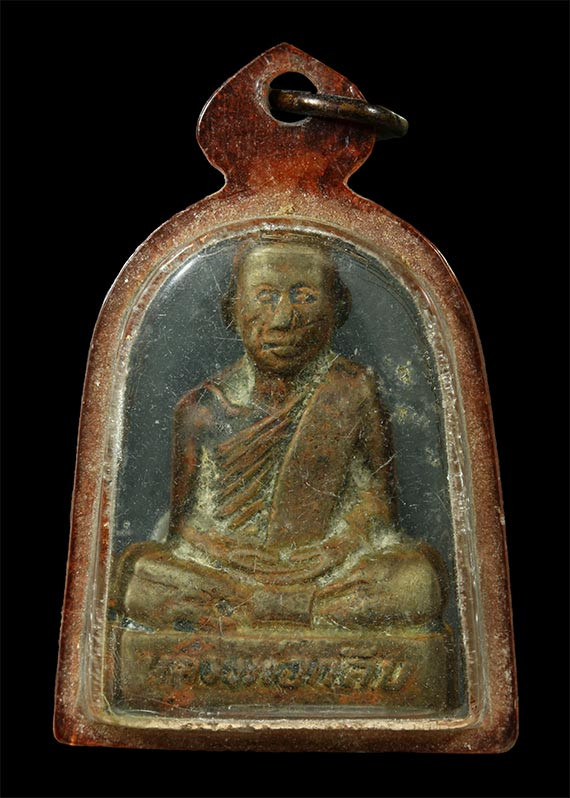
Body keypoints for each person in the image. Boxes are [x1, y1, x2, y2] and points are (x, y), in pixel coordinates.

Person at [115, 234, 447, 632]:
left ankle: (257, 615)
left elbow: (379, 505)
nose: (283, 318)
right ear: (233, 307)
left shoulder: (353, 389)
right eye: (265, 296)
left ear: (335, 308)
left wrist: (334, 549)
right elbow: (183, 528)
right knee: (138, 573)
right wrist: (225, 551)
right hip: (229, 576)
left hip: (326, 574)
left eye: (305, 297)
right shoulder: (200, 408)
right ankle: (290, 612)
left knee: (418, 577)